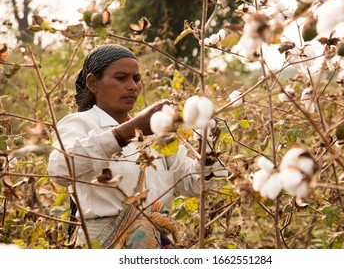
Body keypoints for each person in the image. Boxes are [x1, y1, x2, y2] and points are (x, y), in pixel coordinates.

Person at [48, 44, 226, 249]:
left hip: (154, 244)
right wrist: (126, 133)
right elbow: (60, 170)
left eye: (136, 79)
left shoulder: (156, 133)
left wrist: (209, 150)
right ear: (92, 83)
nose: (132, 86)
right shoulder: (79, 124)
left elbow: (194, 186)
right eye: (121, 78)